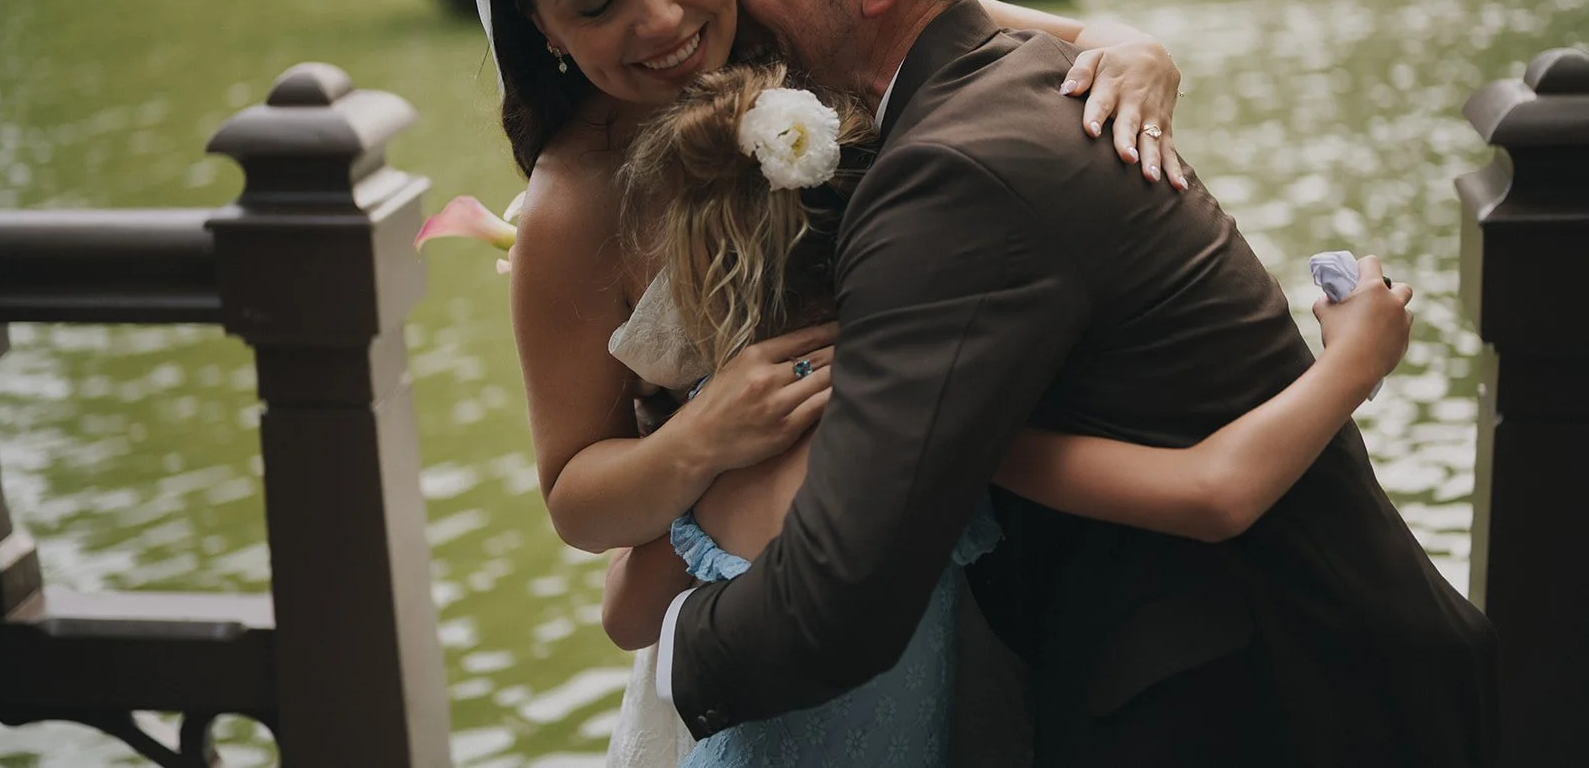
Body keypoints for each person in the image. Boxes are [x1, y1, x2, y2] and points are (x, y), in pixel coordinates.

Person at [653, 0, 1498, 767]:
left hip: (1281, 704)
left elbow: (844, 593)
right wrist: (1122, 35)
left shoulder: (955, 173)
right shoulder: (1015, 77)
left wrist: (667, 649)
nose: (726, 0)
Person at [474, 0, 1185, 768]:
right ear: (541, 23)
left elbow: (1060, 38)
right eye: (595, 3)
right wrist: (700, 435)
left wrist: (1139, 52)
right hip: (774, 602)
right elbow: (574, 497)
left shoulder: (800, 31)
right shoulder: (571, 206)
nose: (660, 18)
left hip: (965, 533)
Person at [600, 61, 1417, 766]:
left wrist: (687, 445)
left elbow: (627, 615)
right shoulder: (927, 433)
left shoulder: (715, 432)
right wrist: (1354, 361)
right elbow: (1214, 491)